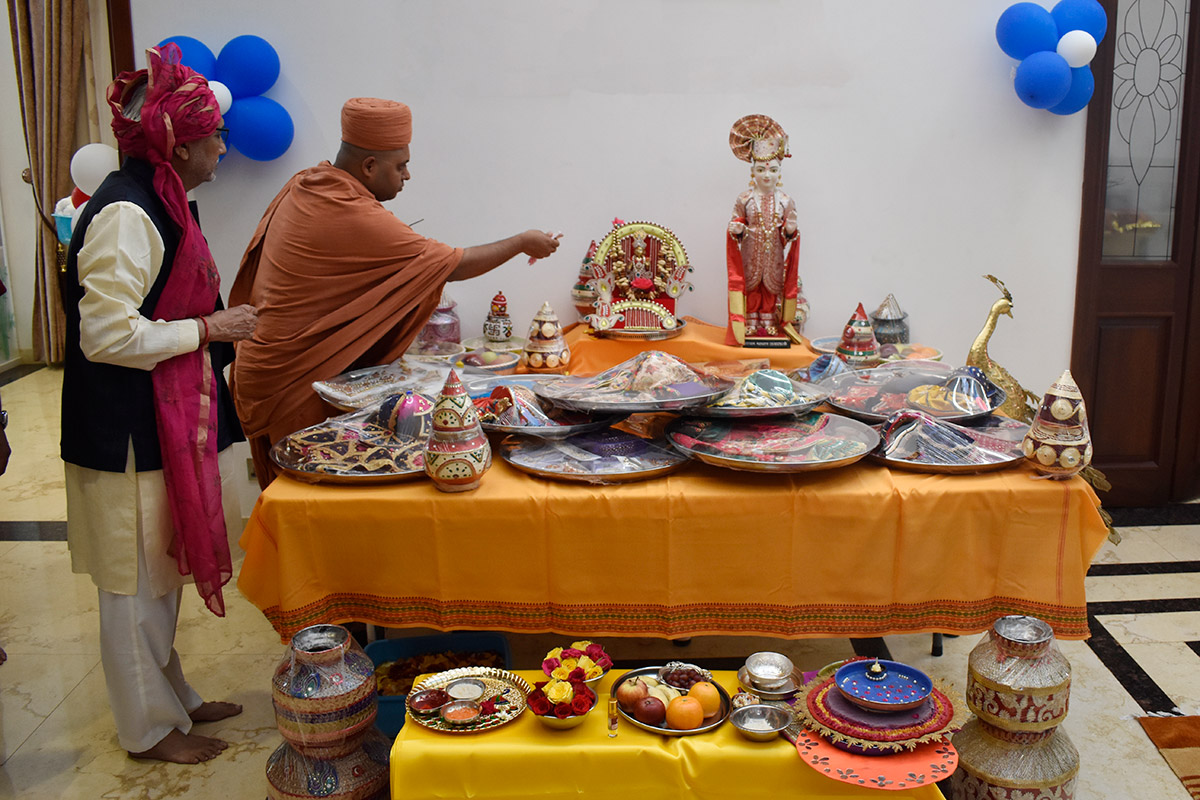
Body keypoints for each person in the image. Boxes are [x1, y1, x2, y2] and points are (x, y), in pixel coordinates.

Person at [60, 44, 257, 764]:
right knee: (135, 587)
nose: (222, 148)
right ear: (178, 144)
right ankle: (146, 730)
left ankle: (174, 699)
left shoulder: (162, 198)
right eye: (214, 137)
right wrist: (211, 329)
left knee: (159, 579)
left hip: (163, 418)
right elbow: (106, 334)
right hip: (126, 431)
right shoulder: (125, 212)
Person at [229, 97, 560, 488]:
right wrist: (521, 242)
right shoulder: (347, 209)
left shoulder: (309, 184)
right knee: (310, 499)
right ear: (369, 166)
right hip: (295, 380)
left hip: (272, 366)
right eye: (401, 166)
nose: (407, 176)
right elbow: (453, 264)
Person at [725, 116, 807, 346]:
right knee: (752, 287)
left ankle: (769, 321)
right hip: (750, 253)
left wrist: (790, 231)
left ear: (779, 172)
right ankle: (750, 321)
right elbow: (736, 223)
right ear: (753, 171)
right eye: (761, 169)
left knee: (771, 289)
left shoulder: (786, 200)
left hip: (774, 255)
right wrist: (737, 229)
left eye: (772, 170)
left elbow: (790, 233)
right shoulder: (744, 198)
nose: (766, 175)